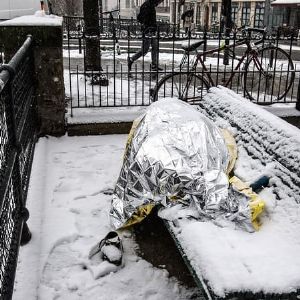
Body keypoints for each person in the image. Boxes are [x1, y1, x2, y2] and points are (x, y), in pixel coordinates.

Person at [128, 0, 164, 72]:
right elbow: (141, 18)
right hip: (147, 30)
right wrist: (147, 26)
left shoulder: (152, 5)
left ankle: (154, 65)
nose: (160, 3)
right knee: (144, 50)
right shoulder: (147, 5)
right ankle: (131, 59)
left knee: (155, 48)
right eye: (160, 1)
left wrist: (154, 27)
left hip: (152, 30)